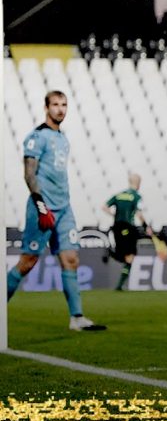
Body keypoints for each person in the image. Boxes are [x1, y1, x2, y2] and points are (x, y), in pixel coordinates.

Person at [7, 90, 106, 331]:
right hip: (42, 207)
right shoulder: (37, 137)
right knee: (28, 261)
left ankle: (77, 318)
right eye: (55, 105)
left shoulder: (63, 139)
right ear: (46, 108)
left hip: (64, 208)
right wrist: (41, 206)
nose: (60, 109)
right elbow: (29, 174)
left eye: (64, 105)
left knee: (70, 259)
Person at [102, 173, 166, 291]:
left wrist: (114, 215)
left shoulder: (119, 195)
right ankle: (119, 284)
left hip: (116, 227)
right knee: (130, 255)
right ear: (139, 183)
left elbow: (104, 207)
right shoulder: (136, 196)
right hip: (128, 227)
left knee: (124, 255)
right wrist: (146, 226)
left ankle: (112, 254)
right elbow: (139, 214)